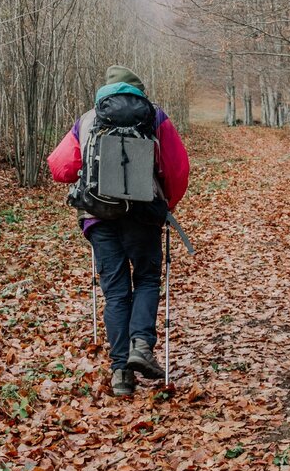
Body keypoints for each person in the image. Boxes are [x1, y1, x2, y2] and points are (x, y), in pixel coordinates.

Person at [47, 66, 190, 396]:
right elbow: (178, 169)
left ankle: (120, 373)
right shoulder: (155, 117)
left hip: (99, 216)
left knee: (115, 290)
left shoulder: (87, 119)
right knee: (147, 279)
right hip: (143, 214)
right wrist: (167, 204)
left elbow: (59, 167)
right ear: (140, 91)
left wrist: (91, 172)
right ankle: (142, 344)